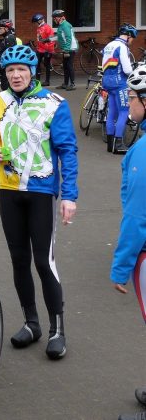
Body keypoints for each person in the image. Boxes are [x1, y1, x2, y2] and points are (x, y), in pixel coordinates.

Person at [0, 44, 78, 360]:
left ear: (33, 71)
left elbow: (68, 150)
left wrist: (69, 196)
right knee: (18, 259)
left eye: (21, 70)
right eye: (10, 70)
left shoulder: (55, 104)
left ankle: (57, 330)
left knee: (43, 260)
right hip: (8, 190)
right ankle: (32, 323)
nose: (15, 75)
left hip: (41, 191)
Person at [111, 65, 146, 420]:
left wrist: (120, 269)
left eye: (133, 97)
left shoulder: (142, 153)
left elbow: (137, 219)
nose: (129, 102)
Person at [103, 24, 138, 154]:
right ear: (128, 35)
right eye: (132, 38)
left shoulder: (109, 45)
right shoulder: (122, 47)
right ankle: (118, 145)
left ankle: (110, 145)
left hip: (107, 81)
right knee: (124, 112)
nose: (132, 41)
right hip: (119, 83)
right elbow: (127, 69)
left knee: (112, 113)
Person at [0, 19, 20, 91]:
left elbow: (9, 54)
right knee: (5, 87)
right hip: (6, 67)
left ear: (6, 28)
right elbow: (4, 50)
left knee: (6, 88)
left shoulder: (9, 38)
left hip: (7, 66)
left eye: (1, 28)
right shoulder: (7, 37)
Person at [52, 10, 77, 90]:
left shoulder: (65, 25)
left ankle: (73, 84)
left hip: (70, 48)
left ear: (60, 18)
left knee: (69, 66)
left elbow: (68, 38)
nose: (54, 20)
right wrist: (48, 40)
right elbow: (59, 37)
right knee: (65, 66)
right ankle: (65, 84)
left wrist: (66, 50)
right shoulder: (61, 25)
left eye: (55, 18)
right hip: (66, 48)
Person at [31, 13, 55, 87]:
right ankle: (37, 81)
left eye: (35, 22)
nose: (35, 24)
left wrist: (49, 50)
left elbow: (52, 39)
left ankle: (47, 81)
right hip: (40, 49)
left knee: (47, 65)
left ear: (40, 20)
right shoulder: (39, 28)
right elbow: (39, 39)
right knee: (37, 64)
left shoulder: (47, 27)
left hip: (47, 49)